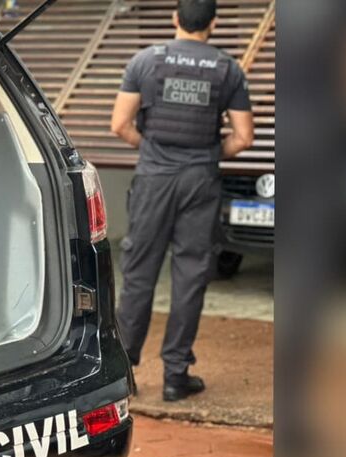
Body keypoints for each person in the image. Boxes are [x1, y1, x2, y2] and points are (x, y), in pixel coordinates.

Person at [110, 0, 255, 402]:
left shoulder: (145, 61)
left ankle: (123, 374)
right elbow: (244, 137)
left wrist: (152, 149)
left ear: (175, 18)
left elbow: (119, 124)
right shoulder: (228, 69)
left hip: (154, 179)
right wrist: (207, 155)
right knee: (191, 275)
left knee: (139, 273)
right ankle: (176, 376)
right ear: (213, 23)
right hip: (199, 181)